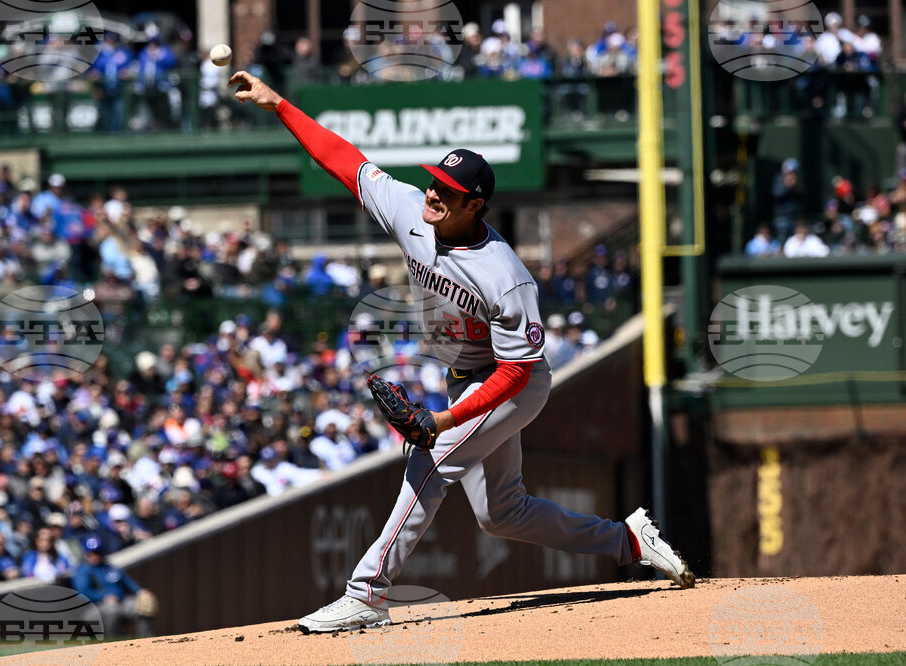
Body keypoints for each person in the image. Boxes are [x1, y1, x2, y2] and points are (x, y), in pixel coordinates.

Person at [228, 69, 695, 634]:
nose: (432, 193)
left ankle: (367, 592)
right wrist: (280, 104)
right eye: (432, 182)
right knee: (502, 514)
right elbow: (344, 161)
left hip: (513, 383)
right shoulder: (411, 212)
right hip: (464, 374)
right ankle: (627, 540)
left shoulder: (505, 276)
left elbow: (516, 373)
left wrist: (443, 421)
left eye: (446, 191)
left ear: (475, 204)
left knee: (429, 461)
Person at [72, 535, 155, 636]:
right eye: (92, 553)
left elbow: (127, 581)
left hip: (121, 602)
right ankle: (114, 642)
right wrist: (104, 597)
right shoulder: (83, 570)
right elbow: (83, 593)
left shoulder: (109, 566)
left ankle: (147, 641)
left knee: (142, 606)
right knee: (113, 610)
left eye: (98, 552)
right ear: (86, 554)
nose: (95, 556)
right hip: (95, 608)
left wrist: (140, 592)